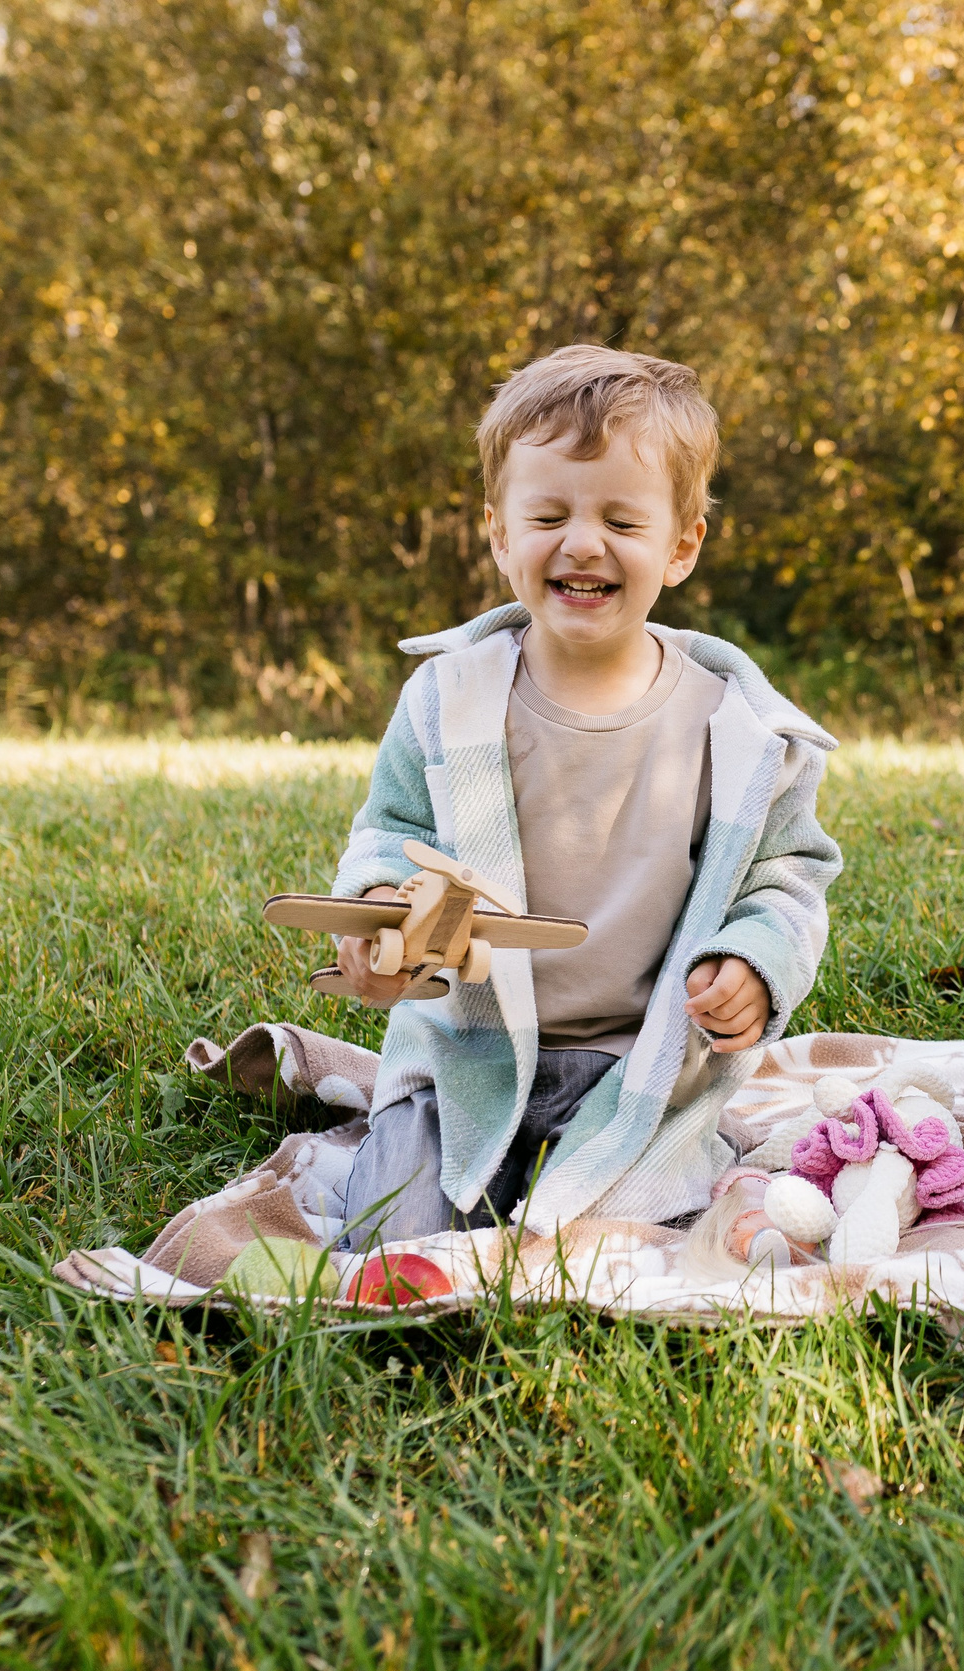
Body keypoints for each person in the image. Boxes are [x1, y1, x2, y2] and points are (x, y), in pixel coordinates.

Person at [327, 345, 840, 1248]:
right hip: (462, 1049)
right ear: (499, 533)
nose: (583, 542)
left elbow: (784, 878)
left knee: (624, 1246)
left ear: (681, 546)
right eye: (550, 513)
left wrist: (752, 962)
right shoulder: (449, 701)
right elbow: (390, 835)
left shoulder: (737, 730)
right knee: (393, 1241)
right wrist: (379, 919)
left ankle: (630, 1197)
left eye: (621, 521)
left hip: (635, 1065)